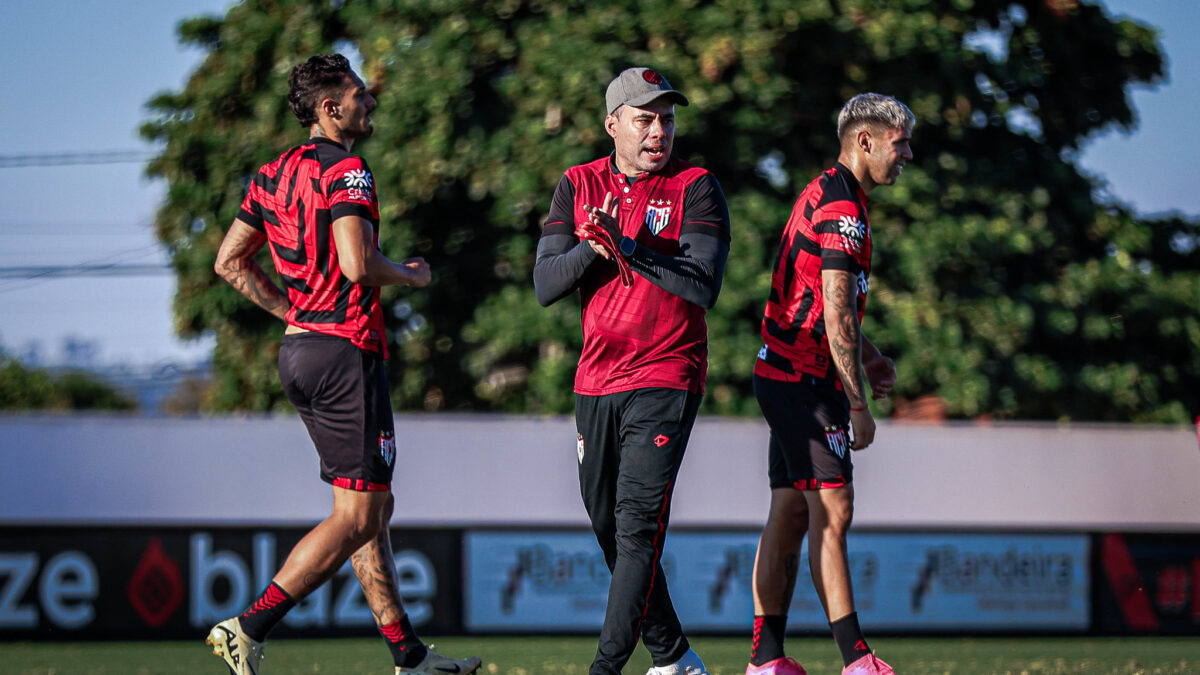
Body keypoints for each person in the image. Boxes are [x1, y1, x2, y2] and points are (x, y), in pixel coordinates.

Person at [208, 53, 481, 675]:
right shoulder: (348, 169)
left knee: (365, 510)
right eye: (360, 95)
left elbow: (228, 261)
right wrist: (409, 274)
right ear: (331, 109)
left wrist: (292, 313)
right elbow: (358, 264)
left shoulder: (270, 174)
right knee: (360, 513)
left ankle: (407, 655)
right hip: (344, 352)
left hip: (302, 350)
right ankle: (248, 626)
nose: (370, 103)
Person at [533, 67, 731, 675]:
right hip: (595, 380)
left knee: (637, 525)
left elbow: (702, 287)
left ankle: (605, 669)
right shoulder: (577, 182)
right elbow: (545, 284)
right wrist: (594, 248)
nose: (658, 131)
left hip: (667, 374)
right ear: (613, 123)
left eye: (667, 119)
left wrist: (633, 245)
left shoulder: (696, 187)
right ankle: (673, 656)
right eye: (645, 119)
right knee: (607, 523)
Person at [746, 93, 914, 675]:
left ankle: (766, 661)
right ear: (864, 141)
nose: (907, 155)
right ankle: (857, 660)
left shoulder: (827, 192)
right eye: (900, 143)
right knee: (833, 510)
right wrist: (857, 404)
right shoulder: (843, 208)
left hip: (784, 371)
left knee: (791, 512)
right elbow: (838, 311)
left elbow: (823, 306)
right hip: (803, 381)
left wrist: (866, 356)